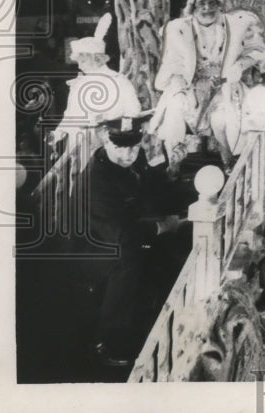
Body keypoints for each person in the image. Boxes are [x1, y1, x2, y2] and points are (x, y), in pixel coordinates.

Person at [75, 118, 192, 366]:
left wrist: (172, 170)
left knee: (167, 249)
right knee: (127, 261)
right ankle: (108, 343)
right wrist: (163, 226)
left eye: (133, 146)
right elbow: (119, 234)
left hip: (126, 234)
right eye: (121, 146)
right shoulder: (95, 180)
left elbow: (149, 188)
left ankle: (159, 319)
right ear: (106, 139)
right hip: (94, 247)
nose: (128, 153)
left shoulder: (133, 161)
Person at [149, 0, 265, 172]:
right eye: (201, 3)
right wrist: (188, 94)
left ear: (219, 3)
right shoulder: (178, 29)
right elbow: (174, 66)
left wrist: (237, 67)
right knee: (174, 111)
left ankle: (228, 159)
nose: (207, 7)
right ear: (193, 6)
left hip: (225, 84)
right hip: (188, 85)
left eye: (211, 2)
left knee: (221, 117)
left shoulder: (236, 24)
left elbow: (256, 52)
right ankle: (174, 163)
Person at [50, 13, 143, 159]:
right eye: (78, 61)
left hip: (110, 146)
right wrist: (58, 133)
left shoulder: (119, 81)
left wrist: (108, 117)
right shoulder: (79, 84)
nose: (80, 66)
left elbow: (134, 110)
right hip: (80, 145)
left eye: (83, 61)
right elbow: (71, 114)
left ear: (97, 59)